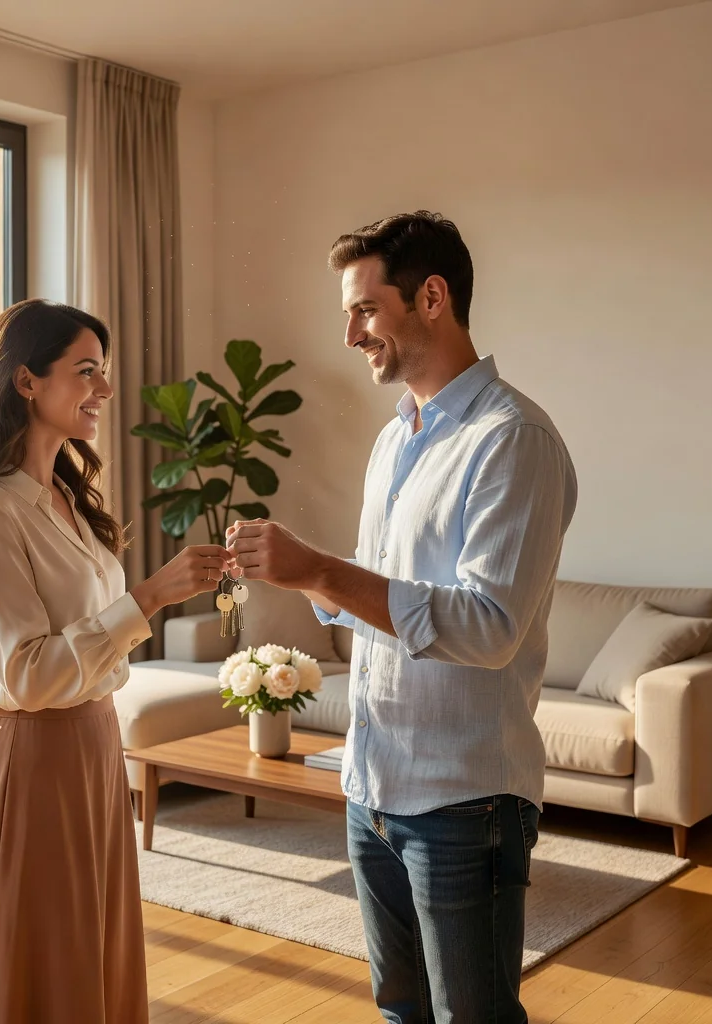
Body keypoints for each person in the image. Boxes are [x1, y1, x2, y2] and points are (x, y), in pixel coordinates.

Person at [226, 212, 577, 1022]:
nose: (349, 333)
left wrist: (317, 567)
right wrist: (308, 575)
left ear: (430, 297)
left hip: (464, 801)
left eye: (364, 309)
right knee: (399, 1012)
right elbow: (380, 606)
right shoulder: (397, 440)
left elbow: (489, 626)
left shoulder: (512, 439)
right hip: (372, 787)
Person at [0, 299, 235, 1023]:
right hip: (33, 764)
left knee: (89, 958)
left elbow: (88, 646)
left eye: (105, 371)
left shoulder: (67, 499)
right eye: (86, 371)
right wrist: (153, 595)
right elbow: (29, 674)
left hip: (95, 745)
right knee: (49, 967)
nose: (104, 388)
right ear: (26, 381)